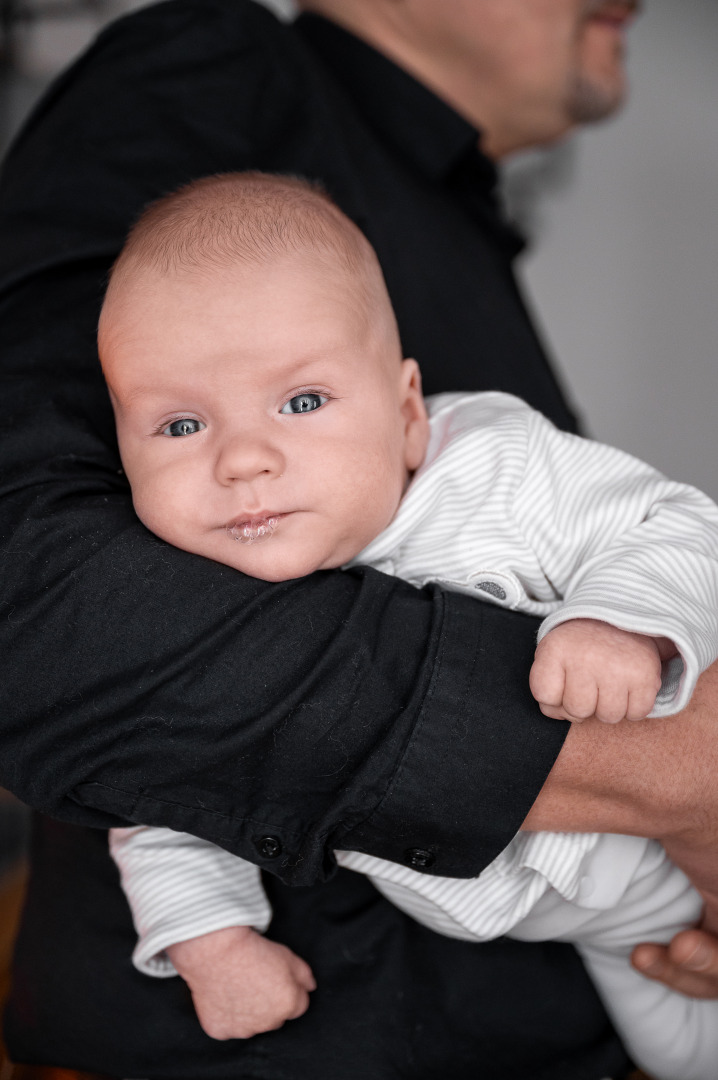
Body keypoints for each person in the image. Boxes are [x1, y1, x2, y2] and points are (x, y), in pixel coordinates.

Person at [1, 0, 718, 1075]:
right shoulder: (213, 73)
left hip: (609, 973)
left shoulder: (457, 273)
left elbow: (644, 527)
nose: (244, 458)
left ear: (409, 409)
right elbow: (41, 608)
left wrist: (631, 633)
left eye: (300, 404)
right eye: (185, 426)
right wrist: (676, 774)